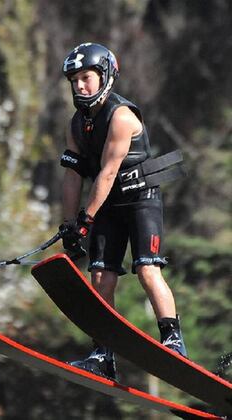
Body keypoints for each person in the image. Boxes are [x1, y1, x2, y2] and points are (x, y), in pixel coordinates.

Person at [59, 42, 187, 380]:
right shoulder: (76, 124)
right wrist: (67, 224)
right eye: (74, 80)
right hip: (109, 206)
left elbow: (107, 172)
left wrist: (85, 219)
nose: (79, 86)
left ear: (105, 77)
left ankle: (173, 341)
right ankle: (103, 354)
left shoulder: (121, 116)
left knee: (147, 270)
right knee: (100, 276)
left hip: (141, 200)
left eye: (86, 77)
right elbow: (72, 175)